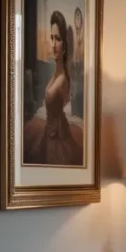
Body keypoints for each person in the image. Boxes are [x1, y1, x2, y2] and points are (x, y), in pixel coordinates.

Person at [23, 10, 84, 165]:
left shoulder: (63, 79)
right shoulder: (55, 74)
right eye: (51, 38)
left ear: (64, 44)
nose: (53, 44)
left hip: (58, 136)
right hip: (48, 131)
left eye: (57, 39)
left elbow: (60, 99)